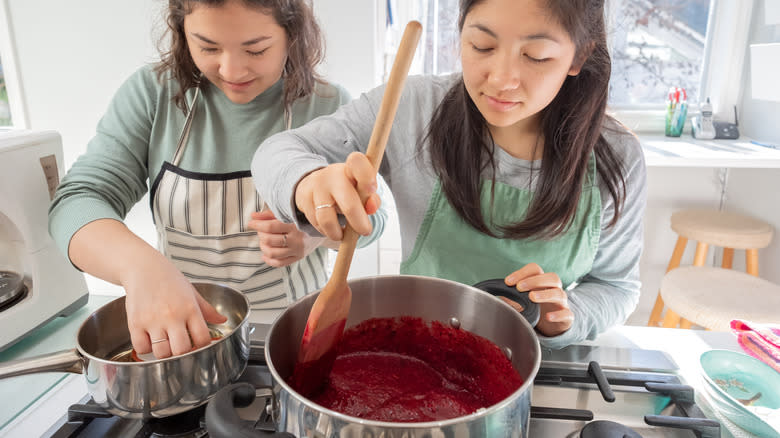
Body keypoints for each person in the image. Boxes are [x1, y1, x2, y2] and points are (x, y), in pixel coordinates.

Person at [252, 0, 647, 349]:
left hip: (533, 365)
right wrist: (308, 182)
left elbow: (616, 288)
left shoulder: (617, 156)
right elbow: (276, 152)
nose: (501, 78)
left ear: (579, 57)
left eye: (537, 56)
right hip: (416, 350)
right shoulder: (414, 107)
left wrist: (566, 317)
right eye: (482, 46)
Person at [48, 0, 386, 359]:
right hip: (185, 342)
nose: (231, 69)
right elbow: (76, 201)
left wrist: (315, 232)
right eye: (207, 46)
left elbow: (373, 222)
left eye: (256, 49)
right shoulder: (154, 95)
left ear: (293, 35)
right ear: (182, 31)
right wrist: (141, 268)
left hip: (292, 341)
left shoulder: (325, 105)